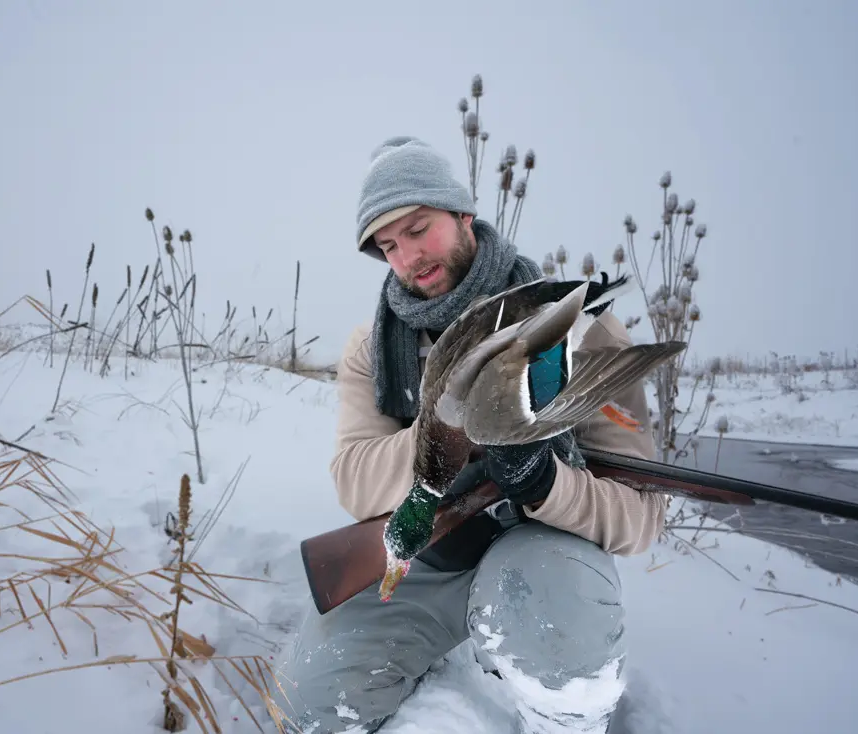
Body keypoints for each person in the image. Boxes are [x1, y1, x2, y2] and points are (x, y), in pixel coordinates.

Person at [269, 136, 668, 734]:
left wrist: (545, 482)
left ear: (462, 214)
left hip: (545, 537)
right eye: (388, 245)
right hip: (437, 544)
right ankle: (412, 647)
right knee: (308, 703)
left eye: (419, 228)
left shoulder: (586, 329)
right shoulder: (373, 348)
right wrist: (460, 437)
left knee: (559, 645)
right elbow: (355, 482)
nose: (407, 257)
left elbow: (641, 519)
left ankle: (564, 717)